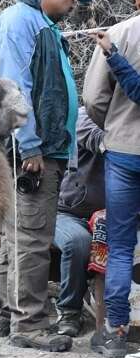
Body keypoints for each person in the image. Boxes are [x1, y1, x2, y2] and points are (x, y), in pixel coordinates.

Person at [0, 0, 93, 352]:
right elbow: (15, 86)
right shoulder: (21, 22)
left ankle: (6, 317)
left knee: (17, 235)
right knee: (31, 237)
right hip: (31, 151)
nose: (72, 5)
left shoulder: (40, 24)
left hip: (41, 147)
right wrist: (29, 144)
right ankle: (29, 325)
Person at [83, 0, 140, 358]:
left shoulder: (116, 35)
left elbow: (93, 100)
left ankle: (116, 330)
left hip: (123, 153)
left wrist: (114, 128)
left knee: (120, 245)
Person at [54, 108, 105, 337]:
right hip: (69, 213)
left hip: (113, 216)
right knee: (78, 242)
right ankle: (69, 312)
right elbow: (97, 140)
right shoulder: (83, 116)